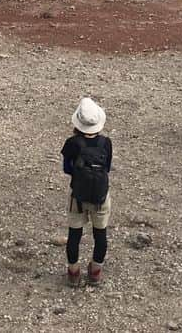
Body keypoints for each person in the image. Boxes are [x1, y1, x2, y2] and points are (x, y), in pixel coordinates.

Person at [60, 97, 113, 287]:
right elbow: (107, 167)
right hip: (100, 195)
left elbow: (67, 169)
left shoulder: (72, 143)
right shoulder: (106, 143)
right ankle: (95, 271)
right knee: (100, 234)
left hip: (78, 195)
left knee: (75, 234)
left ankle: (74, 273)